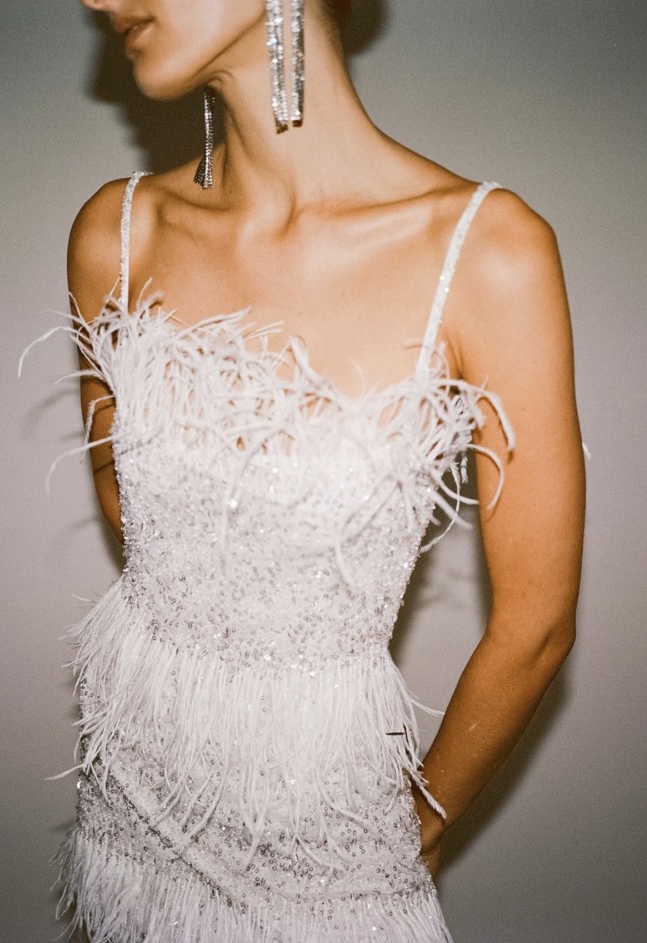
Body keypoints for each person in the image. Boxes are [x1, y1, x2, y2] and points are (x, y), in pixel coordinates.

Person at [43, 1, 585, 940]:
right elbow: (124, 496)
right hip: (129, 813)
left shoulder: (486, 254)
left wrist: (419, 827)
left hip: (331, 854)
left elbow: (535, 628)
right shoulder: (114, 233)